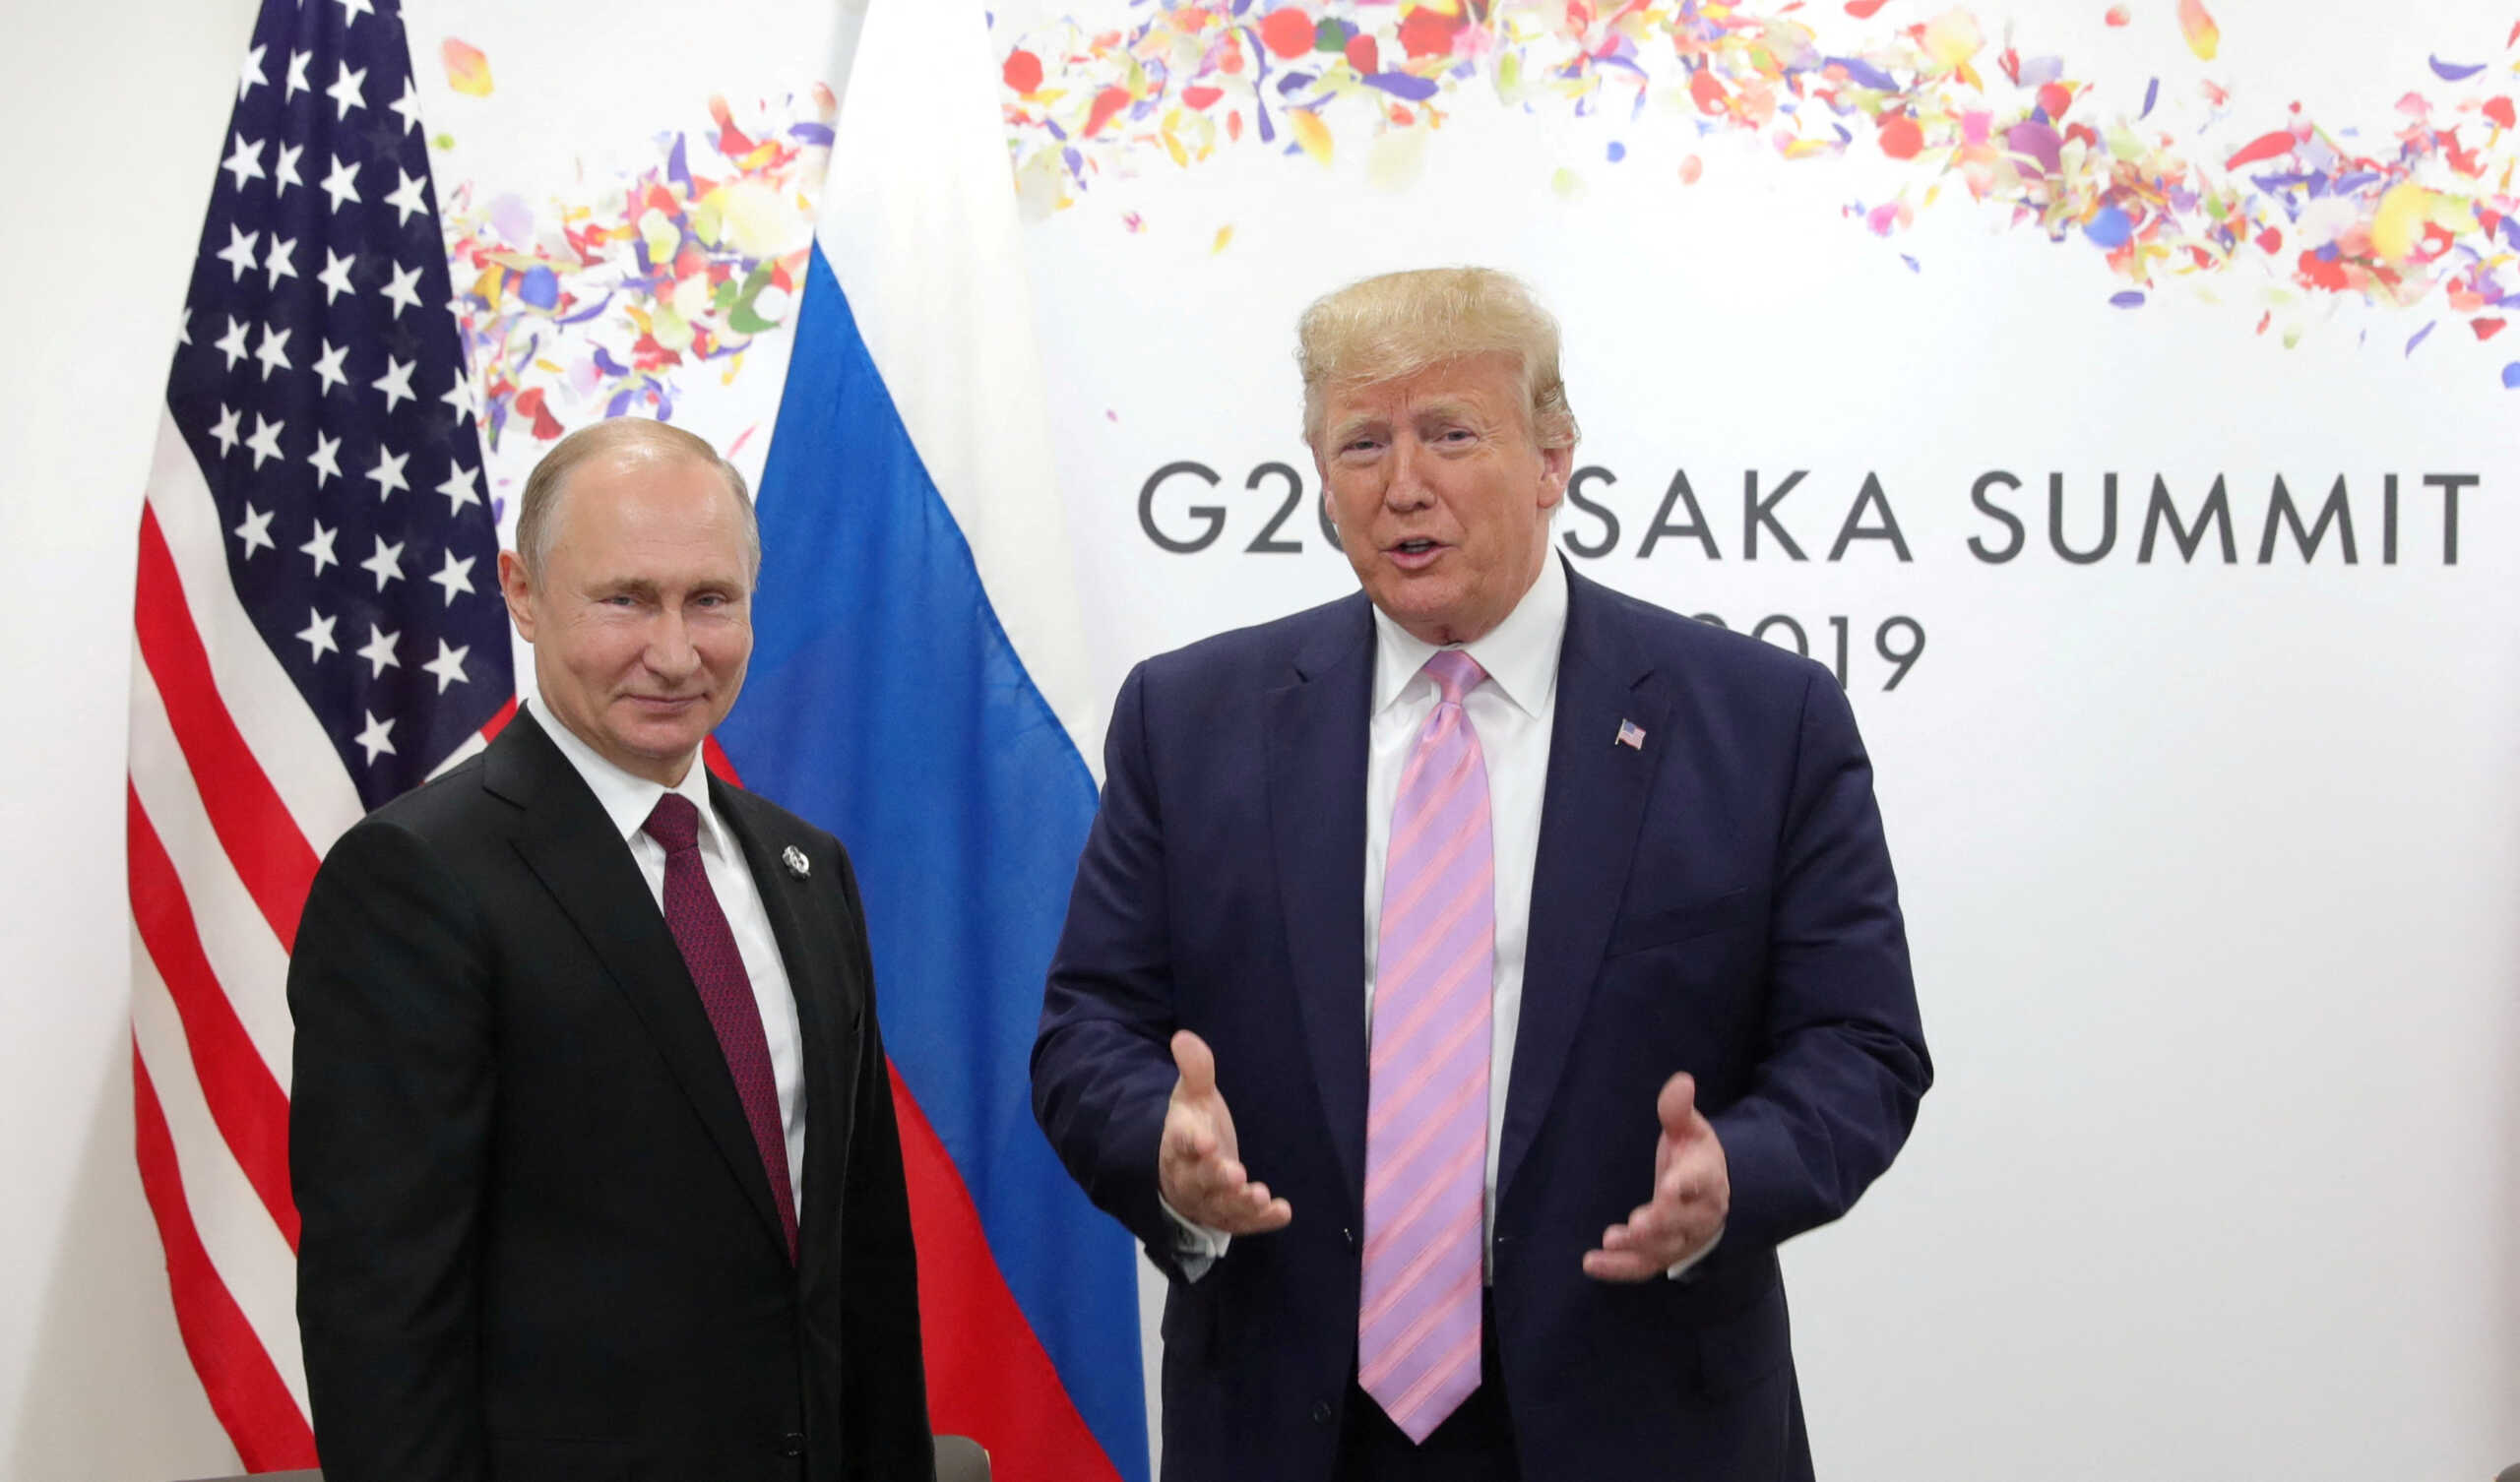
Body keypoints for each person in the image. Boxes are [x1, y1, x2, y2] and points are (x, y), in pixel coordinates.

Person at [1033, 268, 1929, 1482]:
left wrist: (1738, 1169)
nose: (1404, 484)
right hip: (1291, 1420)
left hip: (1643, 1410)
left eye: (1451, 433)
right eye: (1362, 442)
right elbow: (1090, 1029)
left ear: (1554, 456)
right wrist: (1163, 1149)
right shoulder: (1189, 721)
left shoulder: (1760, 724)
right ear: (1320, 476)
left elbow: (1859, 1045)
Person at [289, 418, 931, 1482]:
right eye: (626, 598)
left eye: (710, 600)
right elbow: (383, 1324)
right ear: (524, 592)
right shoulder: (413, 881)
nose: (675, 652)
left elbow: (864, 1275)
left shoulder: (807, 869)